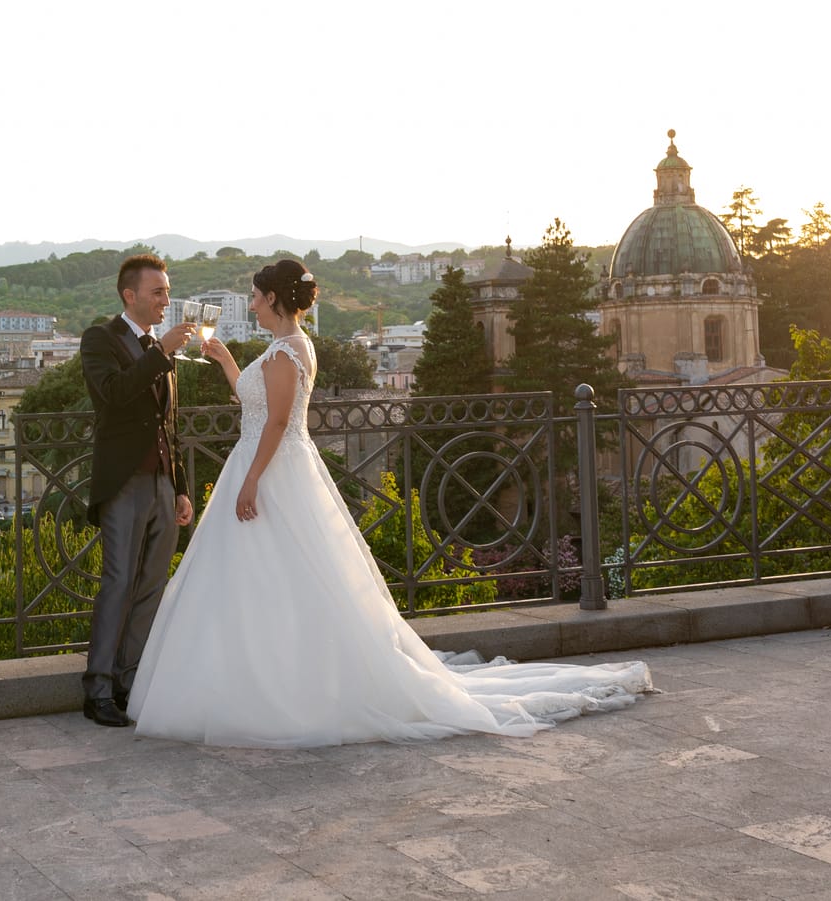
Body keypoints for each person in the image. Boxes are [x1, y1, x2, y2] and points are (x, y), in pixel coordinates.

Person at [130, 258, 651, 747]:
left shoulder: (290, 349)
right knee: (262, 579)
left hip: (269, 471)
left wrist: (251, 482)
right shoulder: (285, 347)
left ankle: (289, 686)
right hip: (261, 465)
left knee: (281, 575)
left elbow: (278, 422)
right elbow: (255, 401)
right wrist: (225, 360)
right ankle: (266, 674)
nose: (250, 306)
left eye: (254, 298)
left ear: (272, 299)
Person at [77, 253, 195, 727]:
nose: (166, 299)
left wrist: (181, 488)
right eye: (158, 292)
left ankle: (129, 682)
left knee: (151, 586)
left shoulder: (159, 348)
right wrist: (160, 352)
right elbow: (114, 393)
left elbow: (169, 424)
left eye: (167, 290)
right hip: (123, 482)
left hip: (163, 484)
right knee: (118, 582)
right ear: (131, 296)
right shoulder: (100, 339)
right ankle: (97, 689)